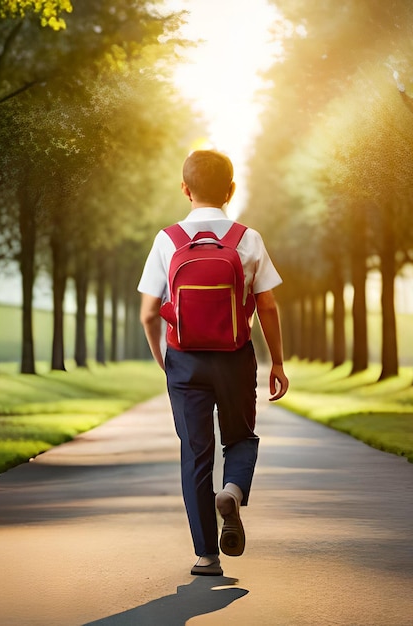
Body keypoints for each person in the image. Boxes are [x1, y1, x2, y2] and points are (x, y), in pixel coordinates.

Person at [138, 149, 289, 577]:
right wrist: (277, 362)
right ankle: (234, 492)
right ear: (231, 190)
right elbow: (269, 307)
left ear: (184, 189)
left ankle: (206, 555)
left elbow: (149, 313)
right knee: (240, 439)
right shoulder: (248, 238)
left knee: (195, 454)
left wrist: (164, 361)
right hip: (236, 358)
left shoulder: (166, 241)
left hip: (185, 361)